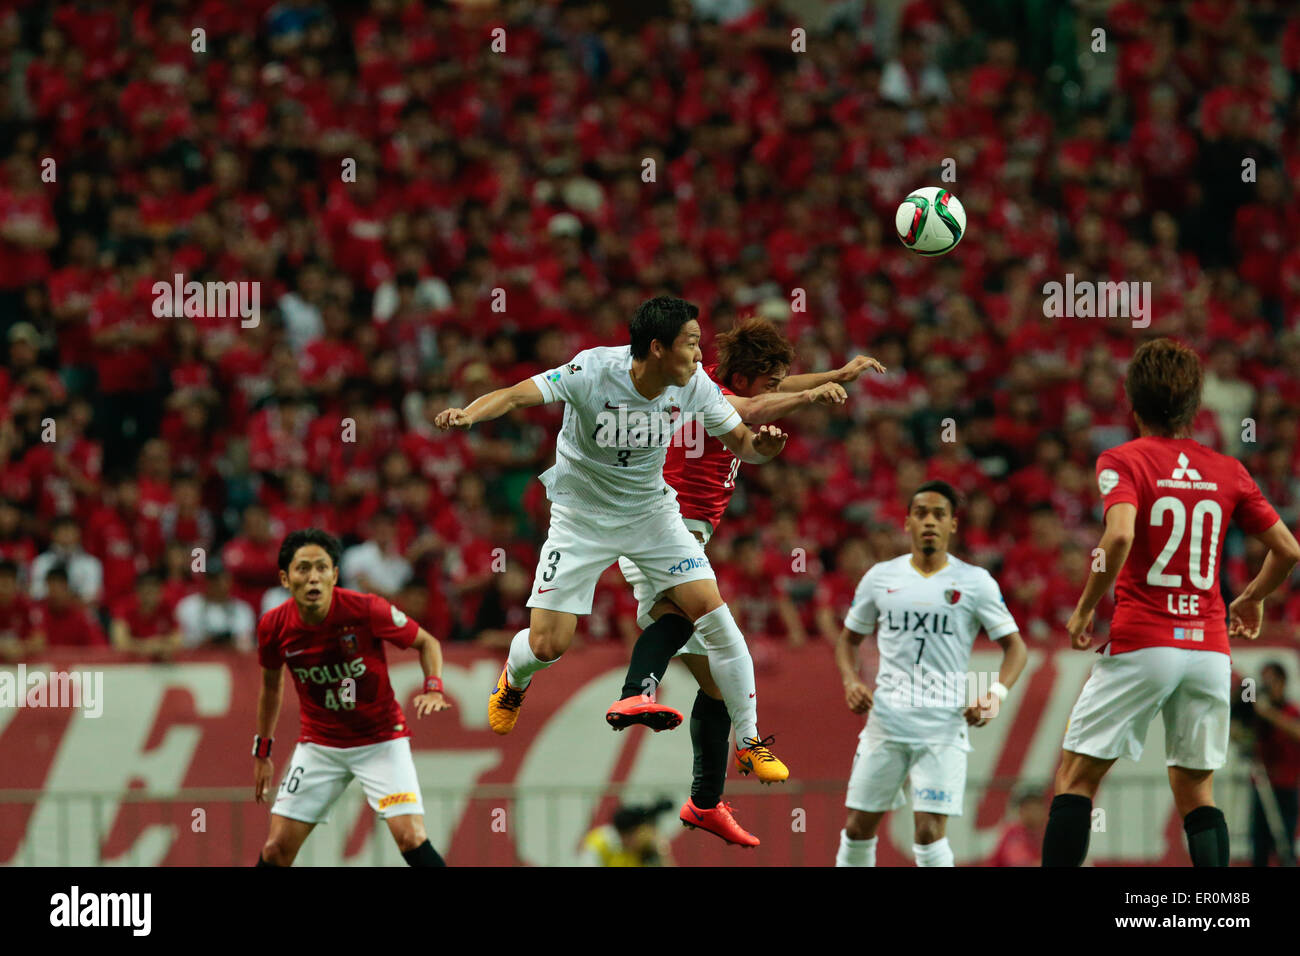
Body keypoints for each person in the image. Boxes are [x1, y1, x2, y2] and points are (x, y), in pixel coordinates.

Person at [434, 296, 790, 778]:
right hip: (581, 517)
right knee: (547, 645)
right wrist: (470, 415)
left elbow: (744, 444)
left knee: (711, 610)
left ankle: (749, 742)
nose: (700, 356)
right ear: (658, 347)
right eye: (691, 344)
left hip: (652, 515)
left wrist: (762, 447)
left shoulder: (694, 385)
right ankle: (513, 681)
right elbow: (518, 394)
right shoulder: (593, 371)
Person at [614, 317, 884, 846]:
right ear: (741, 376)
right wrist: (815, 396)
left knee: (712, 680)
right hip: (663, 528)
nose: (778, 386)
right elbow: (759, 406)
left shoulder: (717, 380)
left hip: (678, 533)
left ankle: (706, 802)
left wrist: (839, 375)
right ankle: (647, 699)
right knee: (700, 623)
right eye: (769, 379)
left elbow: (773, 391)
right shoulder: (709, 390)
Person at [1043, 338, 1300, 867]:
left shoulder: (1123, 459)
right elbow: (1288, 549)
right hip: (1208, 650)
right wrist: (1251, 597)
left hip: (1143, 641)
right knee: (1196, 791)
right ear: (1194, 406)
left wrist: (1087, 605)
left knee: (1076, 777)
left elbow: (1116, 539)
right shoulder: (1229, 469)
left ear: (1132, 405)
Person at [834, 480, 1027, 867]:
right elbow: (847, 640)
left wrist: (995, 696)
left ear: (953, 525)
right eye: (921, 513)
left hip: (942, 727)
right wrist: (850, 680)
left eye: (939, 514)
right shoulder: (880, 578)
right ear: (906, 523)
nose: (929, 522)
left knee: (927, 833)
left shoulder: (975, 582)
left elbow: (1016, 649)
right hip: (886, 723)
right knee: (857, 827)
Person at [253, 528, 452, 866]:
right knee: (275, 850)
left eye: (321, 567)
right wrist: (262, 751)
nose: (313, 577)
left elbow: (428, 643)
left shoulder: (366, 609)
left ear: (334, 574)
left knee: (411, 838)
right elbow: (271, 687)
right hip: (320, 746)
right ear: (286, 579)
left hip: (381, 741)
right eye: (303, 569)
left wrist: (433, 686)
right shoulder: (273, 626)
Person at [1246, 662, 1300, 866]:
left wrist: (1267, 713)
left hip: (1285, 786)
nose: (1266, 686)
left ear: (1282, 682)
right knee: (1258, 846)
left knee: (1285, 844)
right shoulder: (1258, 716)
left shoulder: (1290, 710)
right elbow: (1245, 737)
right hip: (1262, 784)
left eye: (1271, 680)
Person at [579, 799, 676, 867]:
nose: (648, 837)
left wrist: (660, 851)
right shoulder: (599, 844)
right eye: (643, 833)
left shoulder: (643, 850)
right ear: (629, 834)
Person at [987, 789, 1047, 866]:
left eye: (1037, 807)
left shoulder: (1046, 833)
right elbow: (1020, 863)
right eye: (1027, 808)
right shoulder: (1014, 833)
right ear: (1021, 811)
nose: (1033, 812)